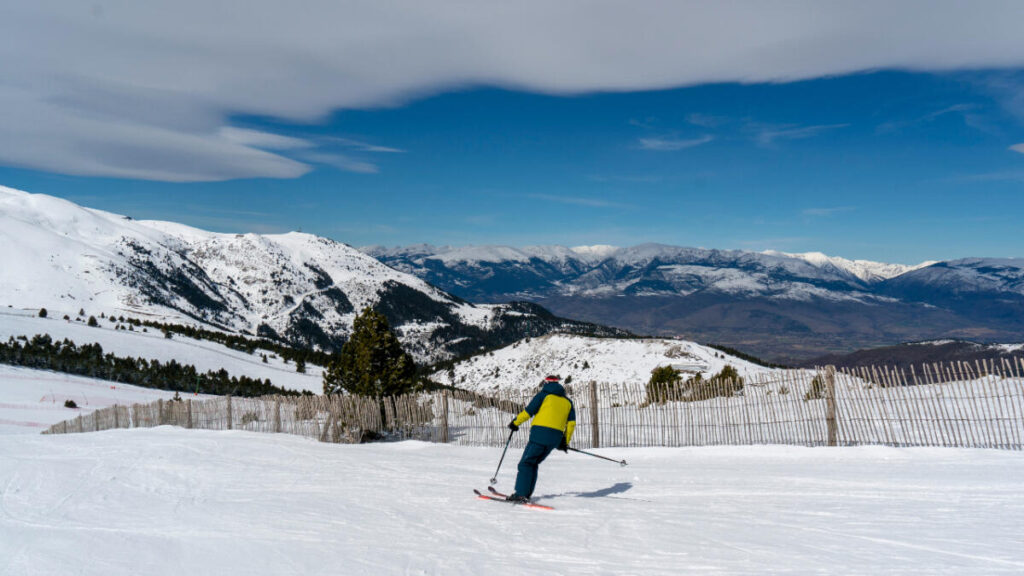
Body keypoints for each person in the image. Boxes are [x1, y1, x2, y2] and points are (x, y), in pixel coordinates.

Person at [505, 375, 576, 503]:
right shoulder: (568, 402)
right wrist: (564, 442)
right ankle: (526, 494)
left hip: (539, 435)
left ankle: (521, 494)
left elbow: (528, 412)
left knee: (526, 463)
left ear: (546, 382)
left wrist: (515, 423)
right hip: (554, 439)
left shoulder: (543, 395)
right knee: (533, 463)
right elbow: (571, 424)